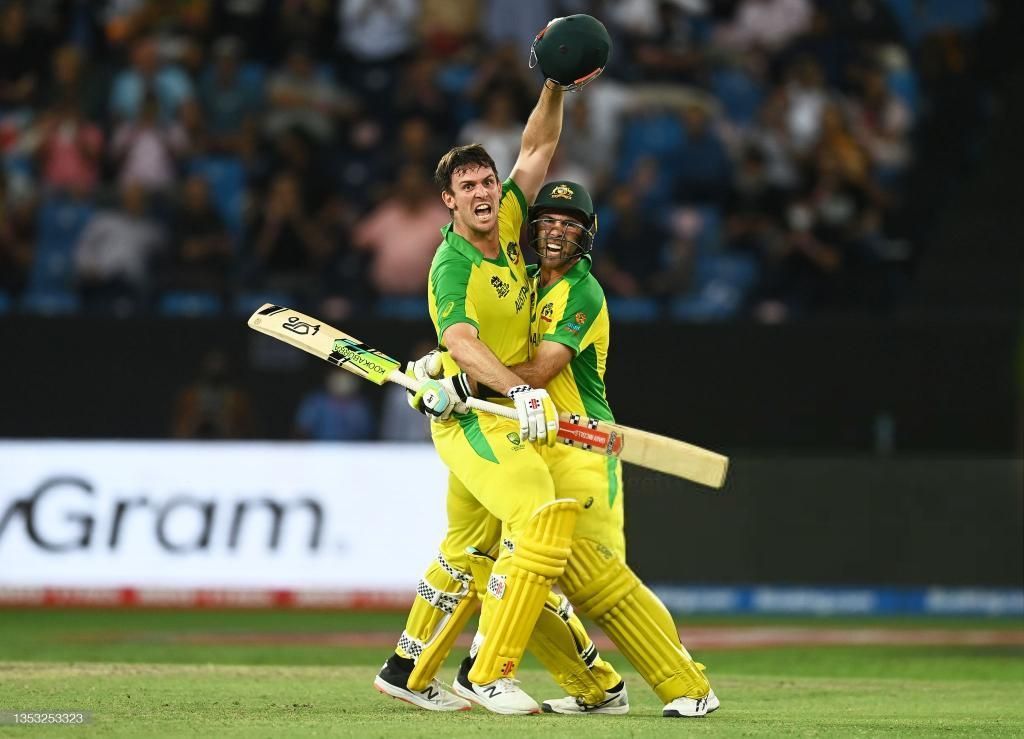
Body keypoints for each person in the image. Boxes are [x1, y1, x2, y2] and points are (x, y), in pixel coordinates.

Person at [397, 181, 721, 719]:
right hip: (533, 443)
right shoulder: (521, 282)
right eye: (547, 220)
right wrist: (440, 368)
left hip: (583, 448)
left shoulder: (582, 292)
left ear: (586, 236)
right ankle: (593, 687)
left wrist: (461, 386)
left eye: (570, 224)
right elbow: (482, 346)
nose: (555, 232)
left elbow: (541, 372)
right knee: (524, 574)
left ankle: (689, 687)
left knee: (598, 582)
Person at [373, 15, 614, 715]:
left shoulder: (510, 219)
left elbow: (538, 144)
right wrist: (519, 388)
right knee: (539, 513)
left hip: (506, 403)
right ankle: (489, 669)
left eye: (486, 180)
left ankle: (406, 668)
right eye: (468, 187)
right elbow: (463, 340)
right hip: (473, 409)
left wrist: (555, 84)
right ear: (447, 202)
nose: (483, 193)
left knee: (468, 545)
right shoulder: (450, 263)